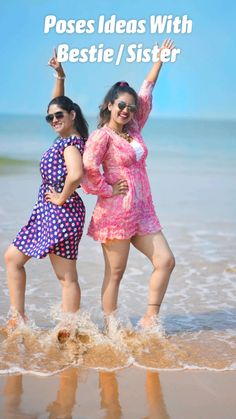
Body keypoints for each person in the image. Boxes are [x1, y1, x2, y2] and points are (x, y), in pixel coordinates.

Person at [55, 40, 176, 328]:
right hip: (115, 213)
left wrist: (158, 60)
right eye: (121, 105)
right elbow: (87, 169)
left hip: (143, 212)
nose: (127, 110)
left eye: (130, 108)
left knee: (165, 261)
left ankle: (150, 317)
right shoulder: (101, 136)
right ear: (110, 105)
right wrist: (108, 189)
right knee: (116, 273)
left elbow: (146, 94)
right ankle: (112, 328)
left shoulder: (134, 129)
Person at [4, 54, 88, 327]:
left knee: (66, 277)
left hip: (59, 210)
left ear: (73, 115)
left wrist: (61, 197)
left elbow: (76, 174)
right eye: (49, 117)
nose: (53, 119)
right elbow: (59, 105)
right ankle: (19, 317)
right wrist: (59, 76)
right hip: (48, 211)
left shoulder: (71, 144)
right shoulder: (65, 137)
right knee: (13, 258)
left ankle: (69, 328)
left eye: (58, 116)